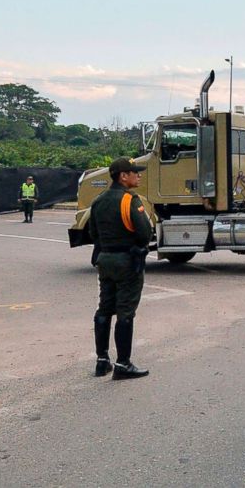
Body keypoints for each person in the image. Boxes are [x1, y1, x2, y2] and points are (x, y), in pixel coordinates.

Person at [89, 157, 152, 380]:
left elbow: (92, 233)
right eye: (134, 172)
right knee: (125, 312)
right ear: (123, 176)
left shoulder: (99, 200)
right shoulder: (130, 200)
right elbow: (145, 233)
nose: (139, 175)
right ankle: (123, 364)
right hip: (127, 261)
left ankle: (101, 360)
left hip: (105, 259)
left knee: (104, 308)